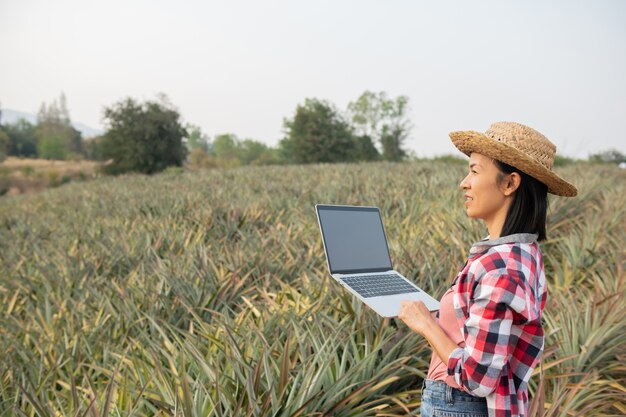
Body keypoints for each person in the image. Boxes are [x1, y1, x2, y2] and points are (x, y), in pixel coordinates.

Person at [398, 122, 577, 417]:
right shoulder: (522, 252)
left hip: (460, 405)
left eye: (475, 171)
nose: (464, 182)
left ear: (509, 184)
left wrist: (425, 325)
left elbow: (477, 377)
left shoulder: (499, 267)